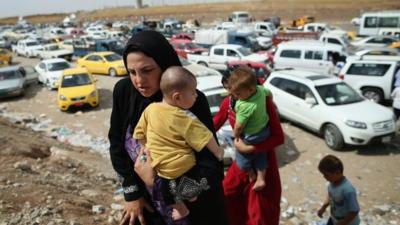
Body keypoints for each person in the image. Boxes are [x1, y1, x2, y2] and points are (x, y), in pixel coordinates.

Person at [108, 30, 228, 225]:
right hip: (147, 206)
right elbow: (116, 143)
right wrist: (132, 192)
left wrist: (159, 185)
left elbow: (211, 164)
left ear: (165, 66)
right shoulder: (124, 92)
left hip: (194, 209)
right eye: (132, 72)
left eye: (147, 70)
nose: (139, 81)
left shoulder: (190, 101)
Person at [133, 66, 224, 221]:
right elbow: (204, 136)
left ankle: (181, 209)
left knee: (167, 195)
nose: (196, 96)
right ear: (177, 97)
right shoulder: (184, 117)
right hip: (185, 165)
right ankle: (190, 197)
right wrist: (218, 152)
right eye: (193, 92)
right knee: (191, 186)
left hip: (162, 169)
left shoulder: (150, 109)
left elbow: (139, 132)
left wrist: (145, 147)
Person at [214, 69, 284, 225]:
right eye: (229, 90)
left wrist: (250, 149)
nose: (232, 94)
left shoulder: (262, 101)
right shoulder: (230, 102)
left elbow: (278, 137)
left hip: (263, 163)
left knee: (259, 214)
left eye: (235, 91)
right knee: (228, 197)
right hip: (241, 163)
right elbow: (214, 125)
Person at [228, 66, 270, 191]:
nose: (235, 96)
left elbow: (239, 125)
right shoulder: (260, 90)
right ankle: (261, 178)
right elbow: (269, 94)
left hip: (251, 135)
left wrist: (236, 136)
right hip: (264, 131)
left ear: (250, 89)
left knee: (242, 157)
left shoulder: (244, 105)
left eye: (238, 94)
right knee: (261, 155)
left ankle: (251, 174)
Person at [317, 155, 360, 225]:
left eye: (326, 175)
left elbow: (354, 210)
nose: (324, 177)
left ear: (337, 172)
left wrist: (343, 222)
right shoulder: (332, 183)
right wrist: (323, 207)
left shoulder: (347, 190)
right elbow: (330, 195)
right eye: (323, 174)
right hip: (335, 218)